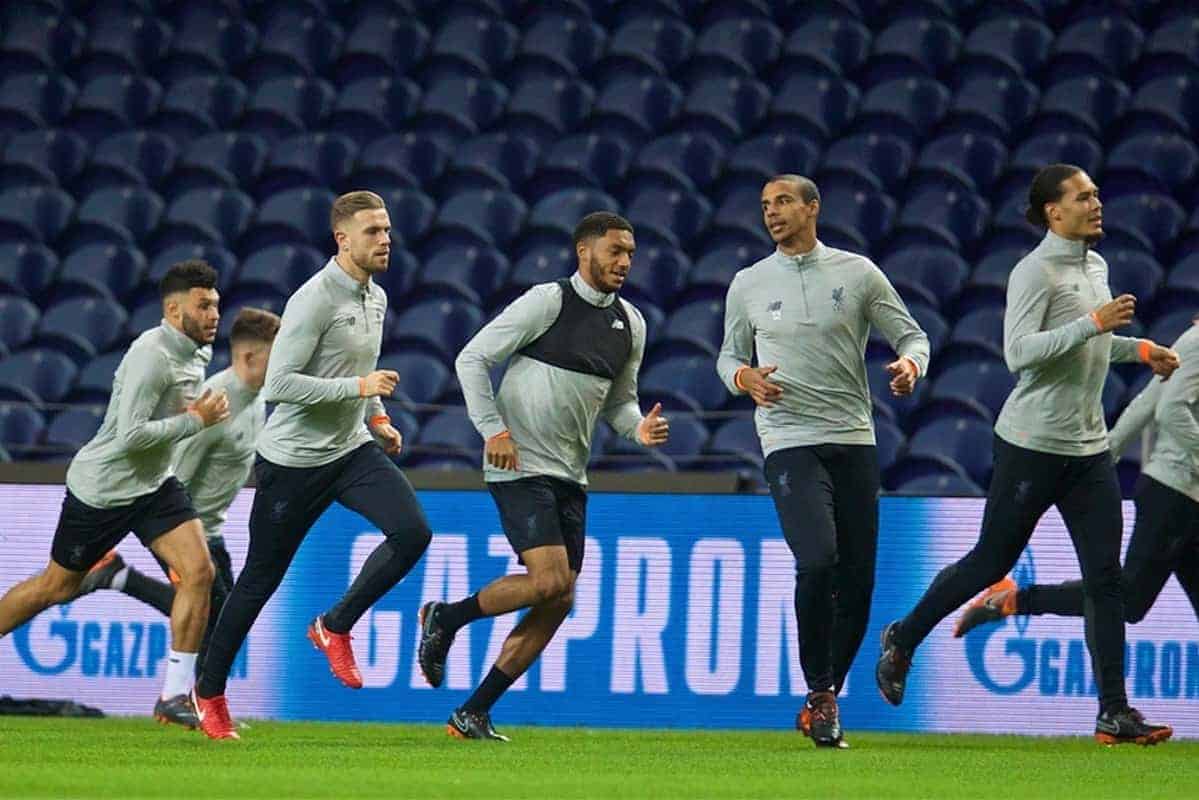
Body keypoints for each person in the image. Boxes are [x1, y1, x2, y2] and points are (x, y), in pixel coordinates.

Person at [875, 164, 1179, 746]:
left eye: (1096, 195)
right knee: (990, 561)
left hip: (1088, 450)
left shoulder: (1095, 265)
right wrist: (1094, 322)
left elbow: (1088, 348)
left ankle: (1113, 712)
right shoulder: (1033, 271)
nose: (1096, 204)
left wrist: (1138, 348)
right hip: (1032, 445)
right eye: (1083, 197)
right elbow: (1020, 354)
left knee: (1106, 581)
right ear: (1052, 212)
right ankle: (904, 636)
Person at [416, 211, 669, 741]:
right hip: (518, 462)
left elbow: (621, 404)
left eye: (630, 254)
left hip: (570, 476)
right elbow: (471, 358)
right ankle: (447, 618)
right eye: (615, 251)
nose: (624, 262)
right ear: (584, 251)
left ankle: (474, 711)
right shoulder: (547, 301)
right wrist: (493, 431)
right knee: (552, 580)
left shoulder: (633, 324)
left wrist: (638, 431)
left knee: (560, 598)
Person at [193, 191, 433, 740]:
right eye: (373, 231)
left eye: (388, 230)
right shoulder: (313, 300)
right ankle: (208, 691)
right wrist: (359, 388)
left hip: (350, 450)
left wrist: (375, 416)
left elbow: (361, 367)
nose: (386, 240)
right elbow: (278, 385)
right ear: (343, 239)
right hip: (291, 463)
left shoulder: (377, 298)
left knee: (413, 532)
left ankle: (333, 626)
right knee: (258, 581)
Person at [716, 175, 930, 748]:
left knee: (857, 583)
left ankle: (825, 694)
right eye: (764, 205)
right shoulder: (749, 282)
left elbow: (913, 337)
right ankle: (820, 692)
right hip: (788, 437)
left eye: (783, 202)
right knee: (818, 560)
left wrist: (911, 366)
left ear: (813, 207)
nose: (772, 213)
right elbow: (728, 356)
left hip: (854, 439)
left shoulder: (858, 273)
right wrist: (743, 377)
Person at [0, 261, 229, 727]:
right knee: (55, 587)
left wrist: (190, 418)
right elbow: (129, 437)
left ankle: (173, 697)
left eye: (216, 305)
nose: (213, 315)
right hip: (103, 490)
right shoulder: (152, 354)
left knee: (199, 571)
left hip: (153, 485)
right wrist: (195, 421)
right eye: (203, 305)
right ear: (173, 308)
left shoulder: (195, 349)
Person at [72, 308, 282, 678]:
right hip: (187, 531)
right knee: (214, 617)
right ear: (250, 357)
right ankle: (195, 705)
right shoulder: (216, 403)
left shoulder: (257, 399)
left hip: (211, 530)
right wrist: (178, 551)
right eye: (279, 353)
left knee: (223, 619)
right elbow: (172, 477)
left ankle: (119, 578)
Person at [954, 319, 1199, 635]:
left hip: (1186, 494)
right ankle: (1013, 600)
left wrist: (1101, 460)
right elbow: (1168, 410)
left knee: (1128, 599)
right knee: (1129, 599)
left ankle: (1012, 599)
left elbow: (1146, 403)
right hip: (1174, 491)